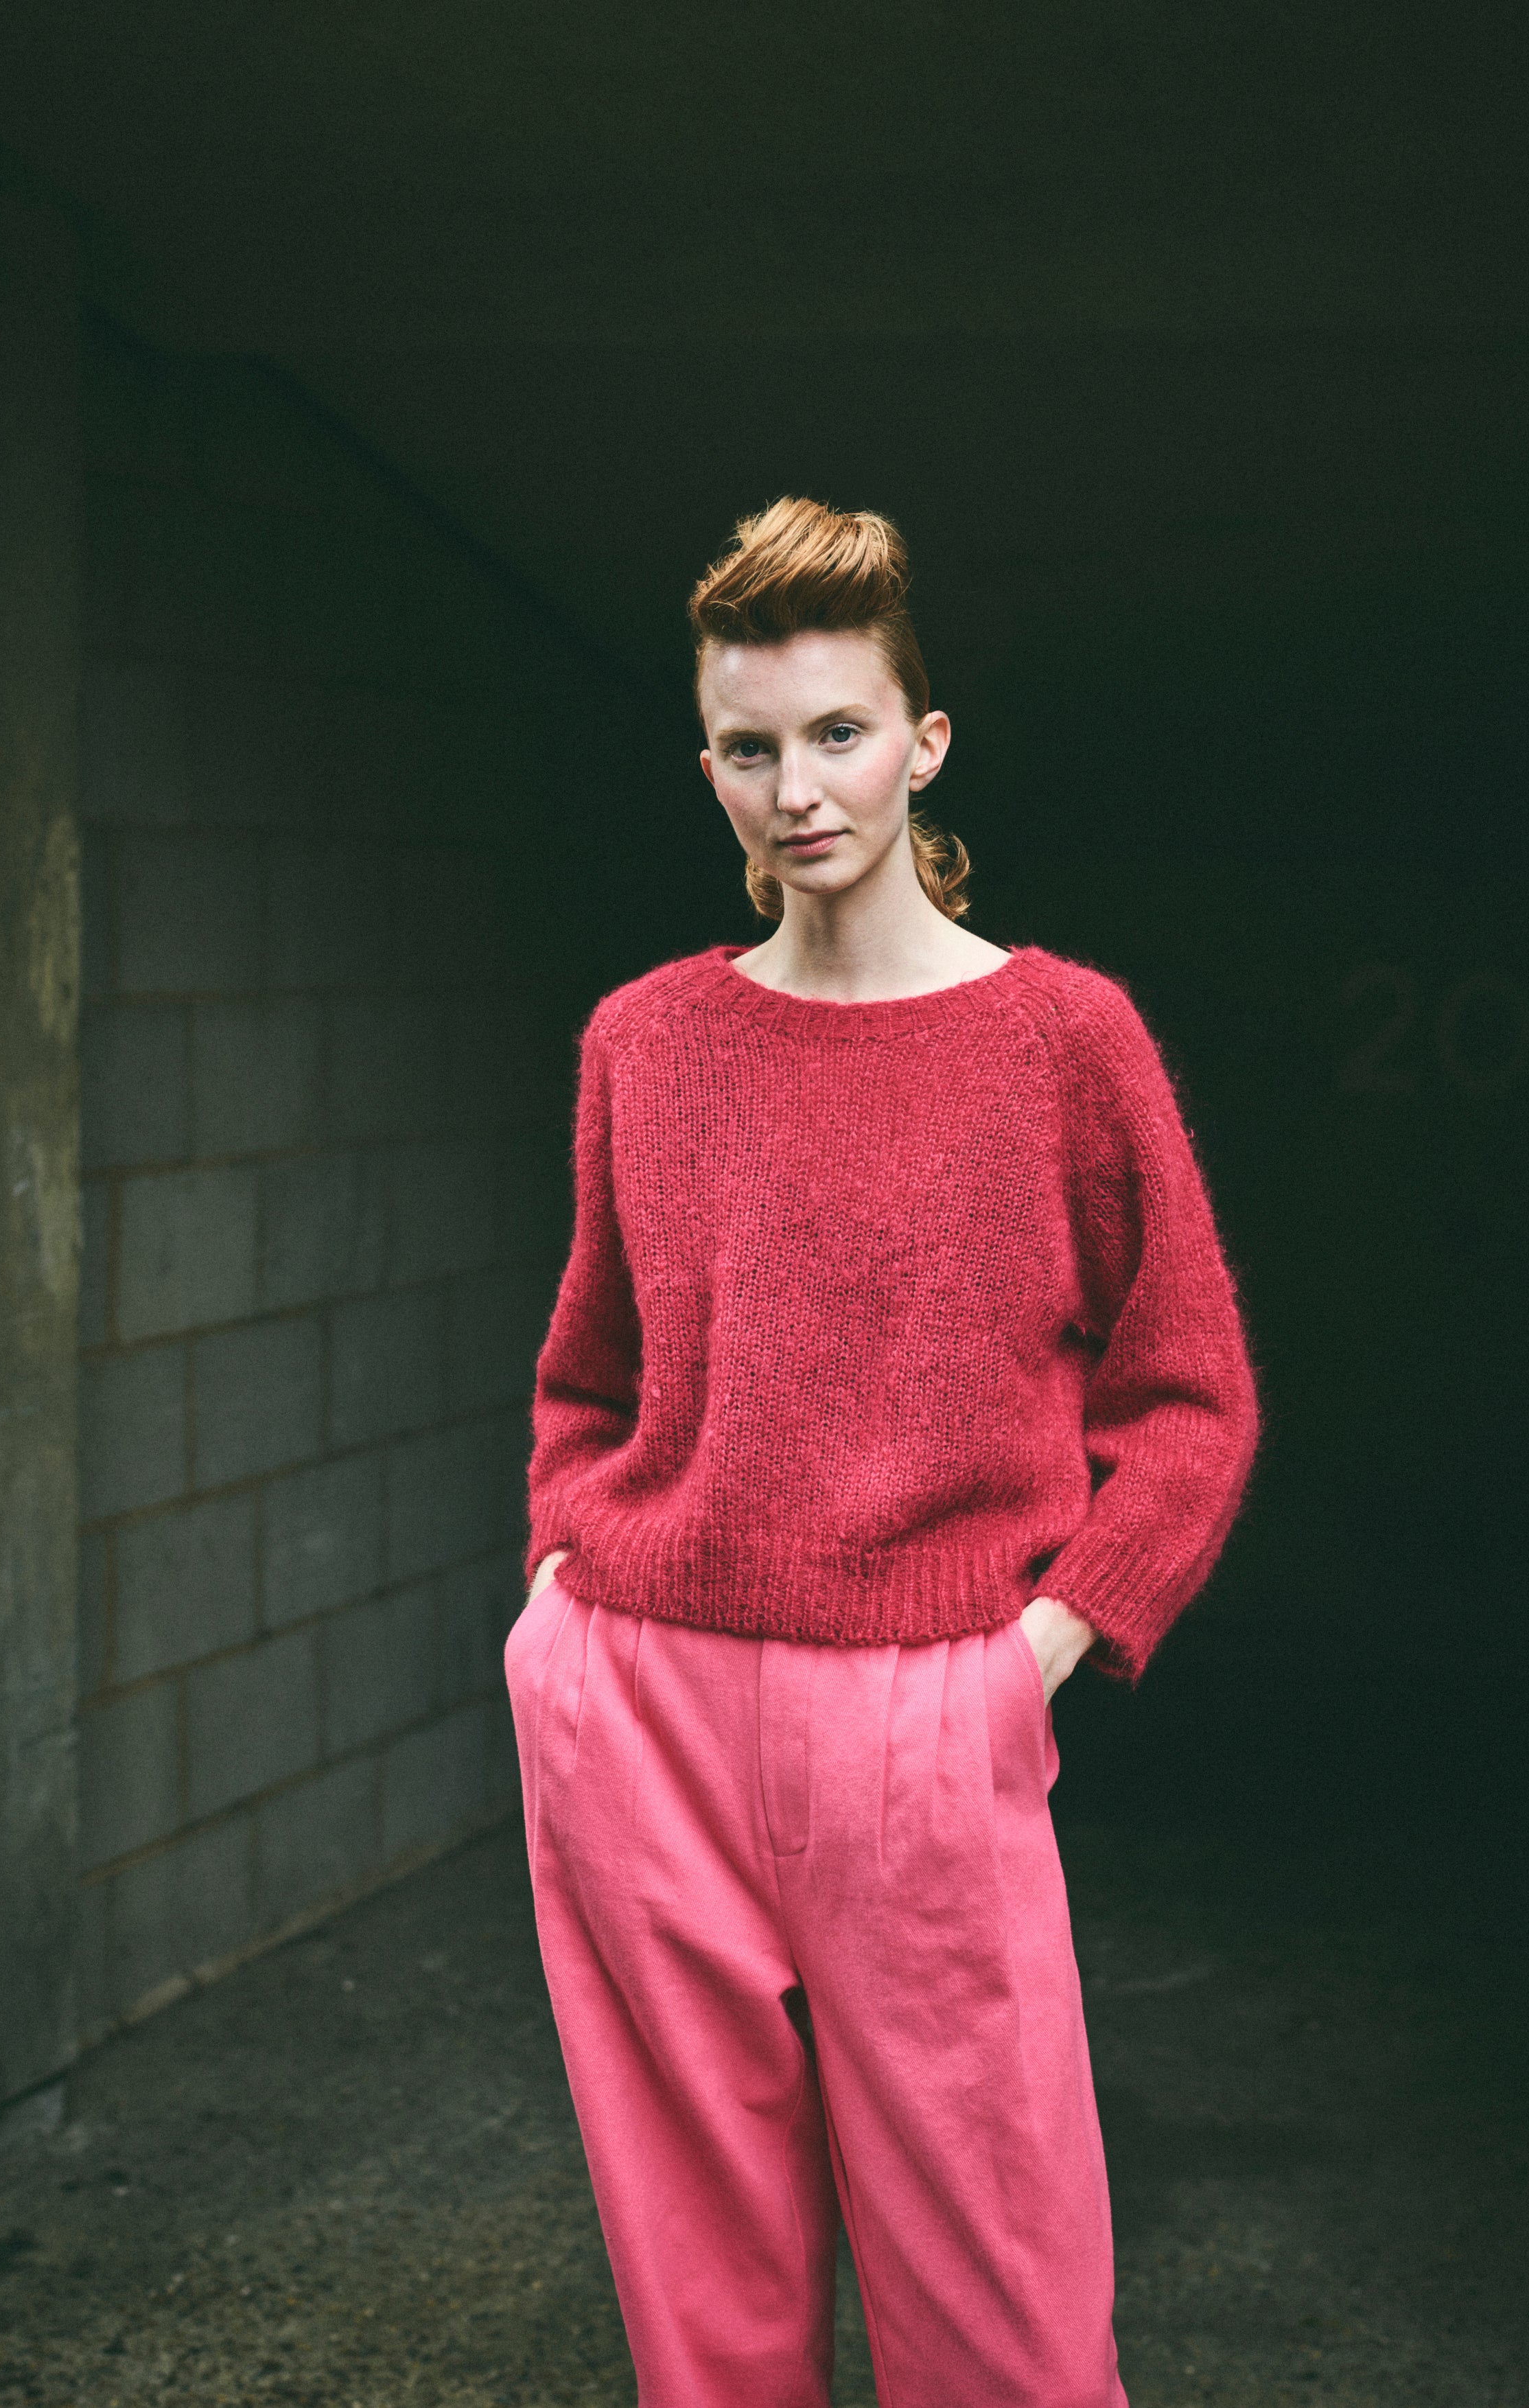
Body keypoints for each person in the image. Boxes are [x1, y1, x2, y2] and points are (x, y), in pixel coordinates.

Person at [504, 496, 1258, 2408]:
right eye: (751, 748)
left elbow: (1189, 1397)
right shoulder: (644, 1043)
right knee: (707, 2308)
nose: (797, 788)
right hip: (644, 1705)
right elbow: (588, 1378)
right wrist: (557, 1601)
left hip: (931, 1713)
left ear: (924, 743)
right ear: (709, 768)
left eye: (838, 733)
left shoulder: (1063, 1039)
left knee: (1004, 2309)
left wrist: (1044, 1651)